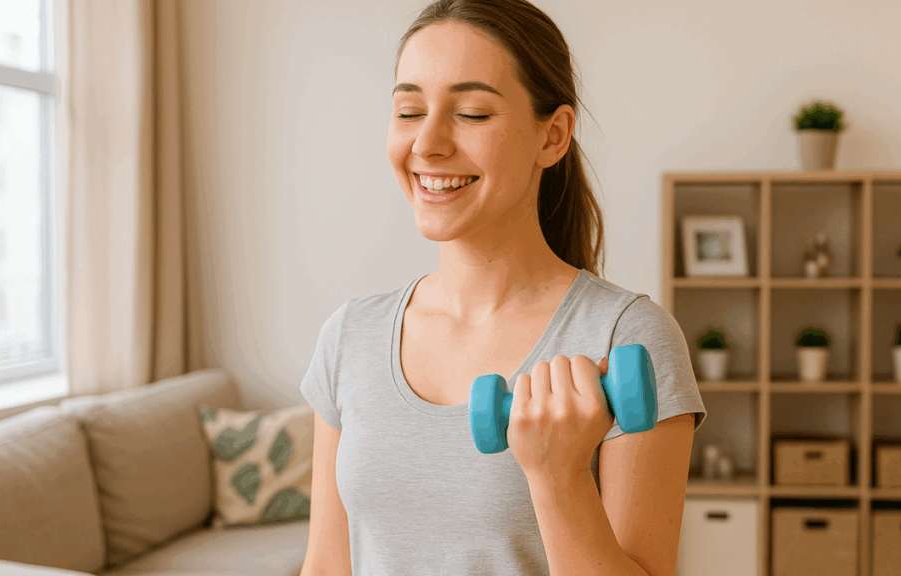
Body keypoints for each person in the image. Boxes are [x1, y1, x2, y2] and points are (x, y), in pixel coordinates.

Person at [299, 1, 707, 574]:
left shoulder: (627, 337)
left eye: (471, 113)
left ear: (553, 136)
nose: (427, 143)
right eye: (409, 111)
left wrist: (558, 476)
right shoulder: (349, 337)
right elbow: (325, 566)